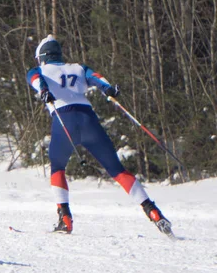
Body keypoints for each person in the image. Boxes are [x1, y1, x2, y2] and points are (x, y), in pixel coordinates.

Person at [26, 34, 172, 236]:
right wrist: (108, 89)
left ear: (41, 56)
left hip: (64, 120)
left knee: (58, 167)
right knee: (117, 169)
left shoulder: (39, 69)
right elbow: (97, 78)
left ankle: (65, 218)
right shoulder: (78, 68)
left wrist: (43, 90)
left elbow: (35, 79)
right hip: (88, 120)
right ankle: (153, 212)